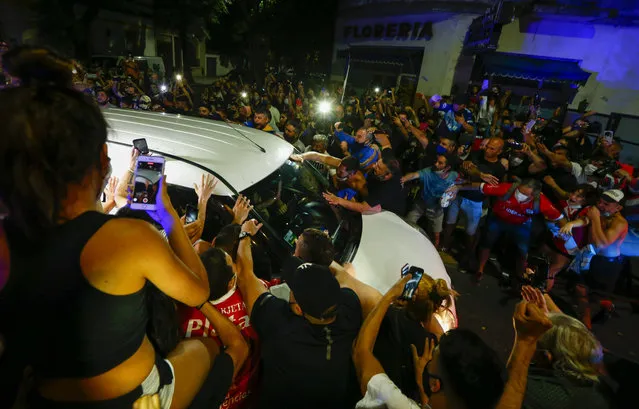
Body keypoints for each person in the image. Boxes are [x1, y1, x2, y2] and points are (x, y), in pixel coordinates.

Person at [0, 46, 240, 408]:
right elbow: (198, 291)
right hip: (133, 398)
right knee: (204, 348)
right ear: (100, 159)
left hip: (46, 396)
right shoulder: (128, 239)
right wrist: (169, 214)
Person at [234, 220, 363, 409]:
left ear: (297, 308)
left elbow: (246, 276)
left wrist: (244, 234)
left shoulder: (281, 326)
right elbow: (346, 279)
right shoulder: (350, 309)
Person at [179, 247, 262, 409]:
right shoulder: (252, 297)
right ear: (231, 281)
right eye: (233, 264)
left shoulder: (182, 310)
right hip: (249, 398)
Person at [449, 178, 565, 282]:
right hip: (498, 219)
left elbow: (560, 218)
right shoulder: (507, 189)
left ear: (534, 195)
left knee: (523, 250)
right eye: (519, 191)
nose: (519, 195)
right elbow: (479, 186)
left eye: (524, 194)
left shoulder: (542, 202)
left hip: (521, 224)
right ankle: (480, 269)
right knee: (487, 242)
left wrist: (567, 231)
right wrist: (458, 187)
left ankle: (520, 276)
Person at [441, 137, 508, 261]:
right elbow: (464, 168)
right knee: (450, 222)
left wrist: (475, 176)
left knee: (470, 231)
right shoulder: (476, 154)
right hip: (459, 194)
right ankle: (444, 246)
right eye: (487, 146)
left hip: (475, 201)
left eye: (492, 148)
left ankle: (468, 254)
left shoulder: (499, 169)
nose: (487, 150)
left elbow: (486, 187)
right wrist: (474, 172)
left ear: (499, 151)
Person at [574, 189, 628, 329]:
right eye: (600, 202)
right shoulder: (602, 214)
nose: (601, 205)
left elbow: (602, 244)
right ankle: (586, 325)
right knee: (580, 289)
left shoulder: (620, 222)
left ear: (618, 207)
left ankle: (608, 307)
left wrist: (595, 218)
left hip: (607, 264)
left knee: (597, 297)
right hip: (592, 257)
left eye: (606, 204)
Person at [539, 184, 598, 291]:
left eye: (579, 196)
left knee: (550, 272)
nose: (573, 197)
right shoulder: (562, 203)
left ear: (586, 200)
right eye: (573, 193)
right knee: (538, 264)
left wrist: (570, 224)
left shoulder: (588, 210)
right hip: (553, 240)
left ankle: (541, 295)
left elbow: (585, 220)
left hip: (568, 249)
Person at [401, 154, 458, 248]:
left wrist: (454, 194)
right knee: (407, 224)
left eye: (440, 163)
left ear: (448, 167)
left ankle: (435, 250)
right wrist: (404, 179)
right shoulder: (428, 171)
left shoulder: (454, 175)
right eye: (436, 161)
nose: (436, 164)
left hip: (436, 209)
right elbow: (414, 175)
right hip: (421, 204)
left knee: (436, 235)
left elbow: (458, 187)